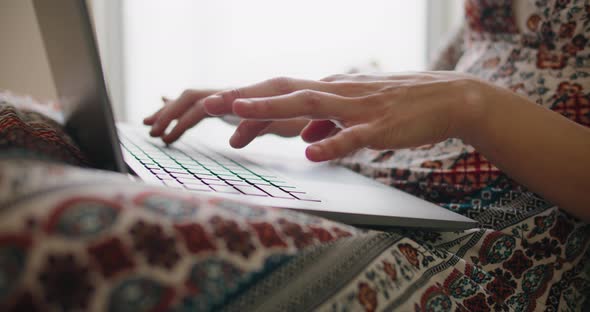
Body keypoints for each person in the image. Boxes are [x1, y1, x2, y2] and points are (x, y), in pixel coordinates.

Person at [144, 0, 589, 310]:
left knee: (158, 240)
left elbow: (460, 93)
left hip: (490, 246)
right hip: (380, 187)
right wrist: (313, 104)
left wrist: (470, 103)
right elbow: (445, 77)